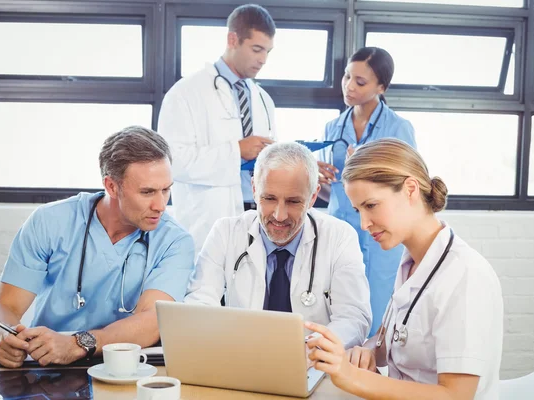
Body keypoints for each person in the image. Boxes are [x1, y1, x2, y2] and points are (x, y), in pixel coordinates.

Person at [307, 138, 503, 400]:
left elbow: (455, 396)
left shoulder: (464, 275)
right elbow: (394, 336)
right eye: (358, 210)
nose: (364, 223)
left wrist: (353, 376)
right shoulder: (411, 263)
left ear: (410, 189)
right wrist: (365, 351)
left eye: (371, 205)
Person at [0, 126, 195, 368]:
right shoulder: (49, 222)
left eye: (166, 190)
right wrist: (5, 337)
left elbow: (151, 322)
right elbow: (7, 306)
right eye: (147, 192)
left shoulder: (175, 241)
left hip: (126, 366)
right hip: (47, 364)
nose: (161, 205)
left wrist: (77, 344)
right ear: (111, 186)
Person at [185, 142, 372, 349]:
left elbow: (353, 318)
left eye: (293, 202)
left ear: (313, 197)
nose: (279, 215)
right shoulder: (226, 232)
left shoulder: (339, 237)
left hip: (314, 363)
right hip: (240, 358)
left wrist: (311, 349)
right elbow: (199, 304)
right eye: (269, 198)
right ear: (255, 189)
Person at [158, 4, 277, 253]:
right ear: (232, 39)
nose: (263, 60)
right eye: (256, 49)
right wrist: (236, 151)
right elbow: (172, 161)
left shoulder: (263, 98)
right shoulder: (185, 93)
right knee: (209, 288)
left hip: (258, 216)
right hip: (207, 221)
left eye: (267, 51)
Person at [317, 47, 417, 335]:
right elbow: (333, 194)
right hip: (339, 231)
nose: (349, 86)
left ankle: (375, 376)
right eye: (347, 76)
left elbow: (410, 186)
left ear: (381, 87)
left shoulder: (398, 128)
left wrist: (366, 169)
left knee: (379, 314)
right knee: (338, 310)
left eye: (360, 82)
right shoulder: (331, 128)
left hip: (380, 236)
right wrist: (317, 178)